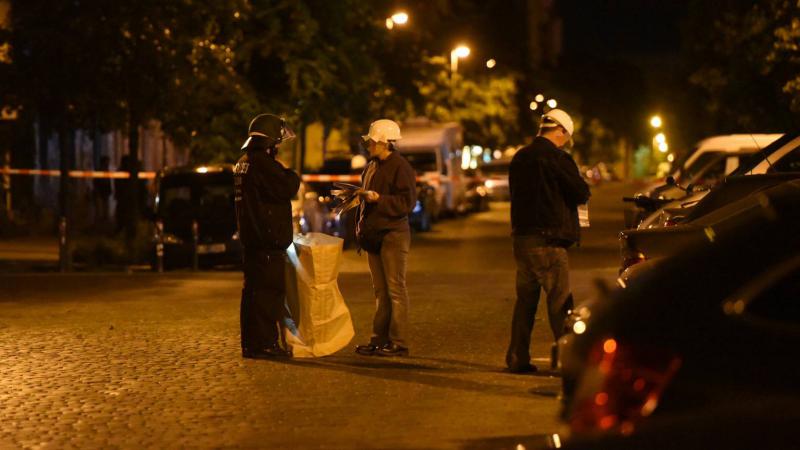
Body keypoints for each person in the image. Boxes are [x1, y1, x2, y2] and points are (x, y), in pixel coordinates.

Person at [505, 109, 591, 373]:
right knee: (560, 302)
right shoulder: (558, 158)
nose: (567, 142)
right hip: (549, 240)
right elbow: (580, 192)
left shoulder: (520, 157)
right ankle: (569, 359)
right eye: (567, 137)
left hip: (522, 238)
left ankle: (518, 358)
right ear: (560, 131)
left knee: (525, 302)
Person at [234, 113, 301, 359]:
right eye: (277, 143)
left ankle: (251, 343)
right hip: (268, 240)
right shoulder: (263, 163)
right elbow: (288, 185)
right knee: (268, 294)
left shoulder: (243, 161)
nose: (278, 148)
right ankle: (264, 344)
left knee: (251, 293)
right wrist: (292, 173)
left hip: (252, 240)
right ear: (270, 141)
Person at [354, 119, 417, 357]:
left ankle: (398, 342)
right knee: (381, 291)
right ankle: (379, 339)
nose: (368, 145)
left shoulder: (401, 167)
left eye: (371, 141)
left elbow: (407, 203)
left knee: (395, 289)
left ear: (383, 142)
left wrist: (378, 199)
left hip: (393, 234)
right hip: (374, 235)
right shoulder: (371, 166)